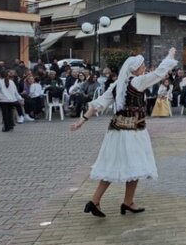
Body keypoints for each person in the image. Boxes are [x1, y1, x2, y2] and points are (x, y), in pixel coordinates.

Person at [71, 48, 178, 217]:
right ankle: (126, 202)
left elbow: (97, 104)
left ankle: (97, 201)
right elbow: (158, 74)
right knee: (135, 165)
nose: (144, 68)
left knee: (113, 164)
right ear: (134, 69)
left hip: (116, 131)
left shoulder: (118, 85)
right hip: (133, 132)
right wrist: (170, 56)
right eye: (142, 66)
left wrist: (82, 121)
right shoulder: (137, 82)